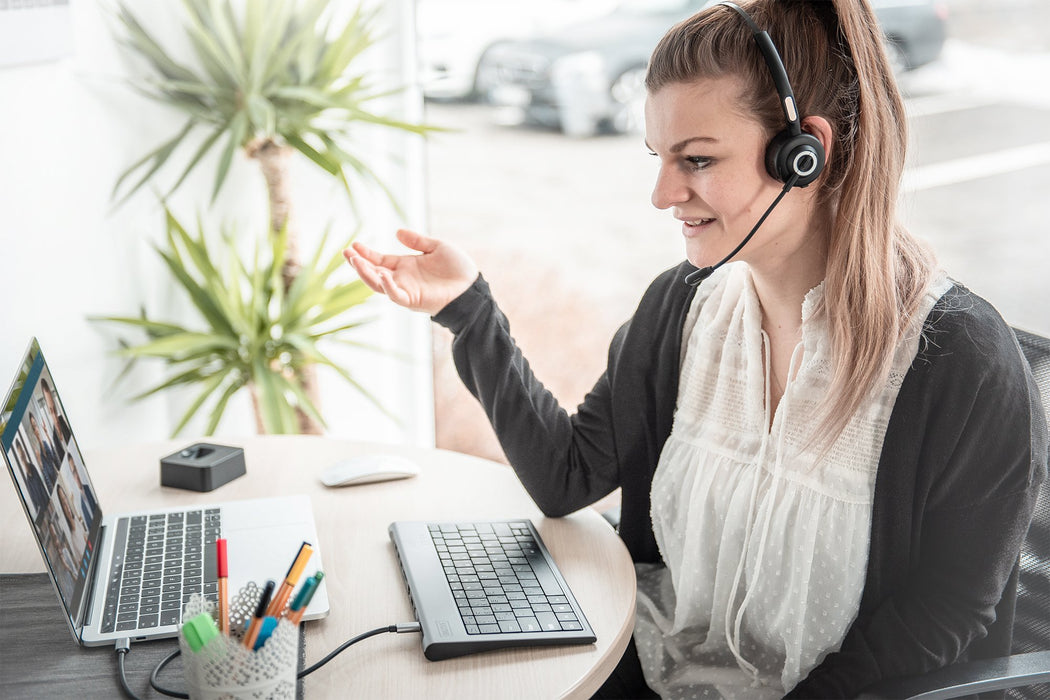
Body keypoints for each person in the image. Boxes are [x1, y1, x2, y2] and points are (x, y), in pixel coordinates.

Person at [344, 0, 1047, 697]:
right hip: (663, 666)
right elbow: (567, 476)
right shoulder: (684, 307)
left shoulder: (960, 364)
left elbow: (943, 613)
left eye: (698, 160)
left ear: (806, 154)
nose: (661, 194)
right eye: (659, 158)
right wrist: (470, 312)